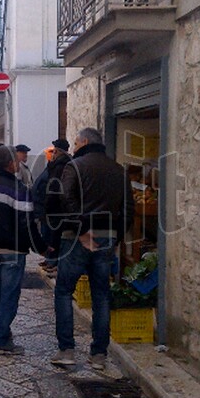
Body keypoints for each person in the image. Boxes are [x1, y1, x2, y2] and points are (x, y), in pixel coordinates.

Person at [51, 128, 134, 371]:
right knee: (101, 295)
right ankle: (99, 355)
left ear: (85, 142)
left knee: (64, 291)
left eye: (75, 142)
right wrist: (116, 236)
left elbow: (66, 199)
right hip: (106, 237)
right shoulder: (119, 170)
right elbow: (129, 207)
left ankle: (66, 350)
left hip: (77, 237)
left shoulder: (74, 167)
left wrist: (82, 229)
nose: (74, 146)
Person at [0, 145, 46, 356]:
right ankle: (1, 339)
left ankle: (3, 332)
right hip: (13, 250)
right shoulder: (19, 189)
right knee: (9, 294)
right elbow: (28, 225)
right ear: (12, 163)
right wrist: (41, 248)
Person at [32, 138, 72, 273]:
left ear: (60, 152)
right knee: (49, 236)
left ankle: (54, 261)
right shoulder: (54, 165)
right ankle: (50, 259)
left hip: (55, 209)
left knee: (55, 237)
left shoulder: (61, 166)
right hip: (49, 207)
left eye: (54, 151)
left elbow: (55, 188)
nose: (52, 154)